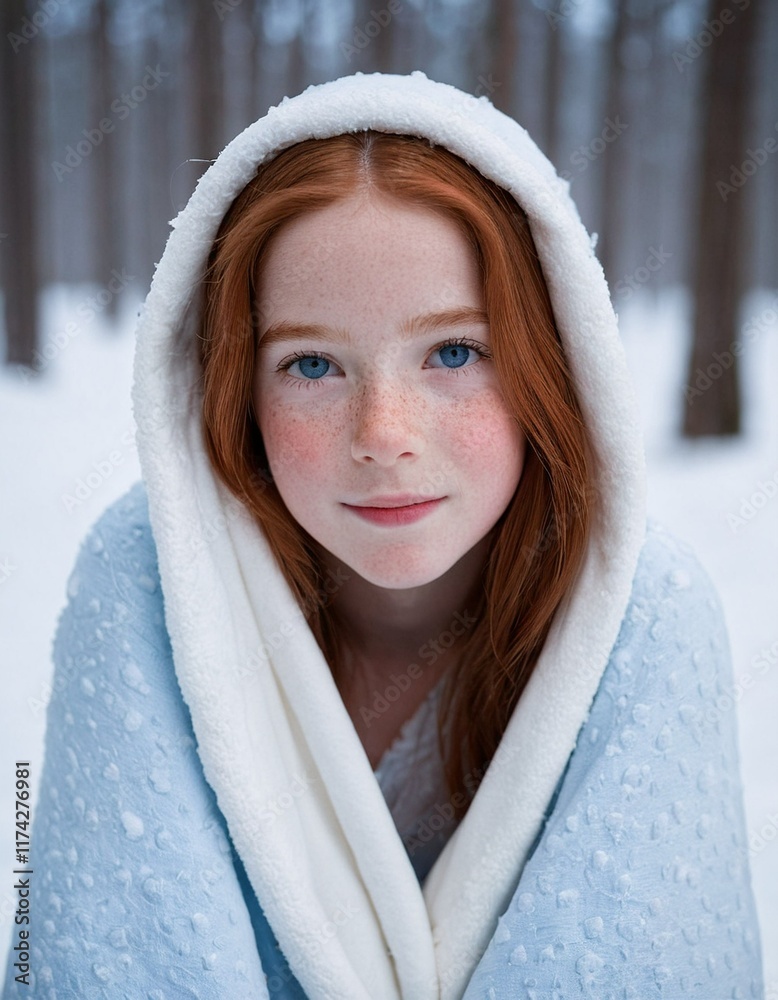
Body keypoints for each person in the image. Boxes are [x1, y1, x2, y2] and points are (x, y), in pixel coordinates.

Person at [2, 71, 763, 999]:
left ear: (548, 363)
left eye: (453, 352)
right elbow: (110, 956)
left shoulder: (646, 613)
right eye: (312, 364)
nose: (382, 434)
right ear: (235, 386)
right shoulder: (148, 582)